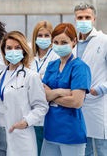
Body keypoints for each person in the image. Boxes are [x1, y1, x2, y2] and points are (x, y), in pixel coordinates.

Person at [0, 31, 48, 156]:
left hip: (19, 132)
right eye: (9, 48)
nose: (13, 51)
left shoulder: (31, 76)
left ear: (23, 51)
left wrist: (26, 122)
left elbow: (41, 107)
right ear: (4, 51)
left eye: (17, 47)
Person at [41, 23, 91, 156]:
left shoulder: (80, 67)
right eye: (56, 42)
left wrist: (51, 94)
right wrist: (60, 91)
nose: (59, 45)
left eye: (64, 42)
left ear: (74, 41)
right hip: (50, 132)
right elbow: (42, 96)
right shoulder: (52, 66)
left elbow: (76, 102)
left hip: (71, 133)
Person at [72, 3, 107, 156]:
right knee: (83, 149)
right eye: (80, 17)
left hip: (98, 102)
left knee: (101, 147)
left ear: (94, 19)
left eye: (87, 17)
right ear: (75, 19)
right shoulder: (72, 45)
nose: (84, 20)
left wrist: (100, 89)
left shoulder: (104, 41)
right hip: (76, 103)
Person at [30, 20, 58, 155]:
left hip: (50, 112)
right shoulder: (29, 58)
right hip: (31, 112)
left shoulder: (56, 57)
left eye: (47, 35)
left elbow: (53, 84)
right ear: (35, 37)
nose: (43, 39)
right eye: (40, 35)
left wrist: (36, 81)